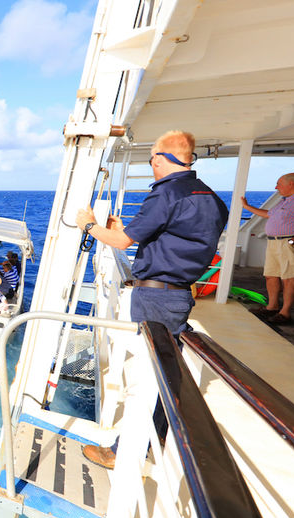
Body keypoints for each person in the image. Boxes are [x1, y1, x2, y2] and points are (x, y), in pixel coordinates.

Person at [75, 130, 229, 469]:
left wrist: (88, 226)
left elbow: (120, 243)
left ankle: (122, 450)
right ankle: (156, 433)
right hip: (179, 294)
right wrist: (123, 229)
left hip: (155, 298)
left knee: (147, 375)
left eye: (151, 159)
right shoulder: (213, 199)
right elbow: (175, 239)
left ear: (160, 158)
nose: (151, 165)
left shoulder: (166, 195)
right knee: (165, 370)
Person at [240, 173, 294, 324]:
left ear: (291, 184)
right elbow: (269, 215)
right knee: (271, 275)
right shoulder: (286, 200)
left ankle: (285, 313)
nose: (276, 187)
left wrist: (293, 241)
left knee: (288, 278)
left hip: (290, 242)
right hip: (275, 242)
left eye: (279, 184)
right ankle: (272, 307)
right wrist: (247, 207)